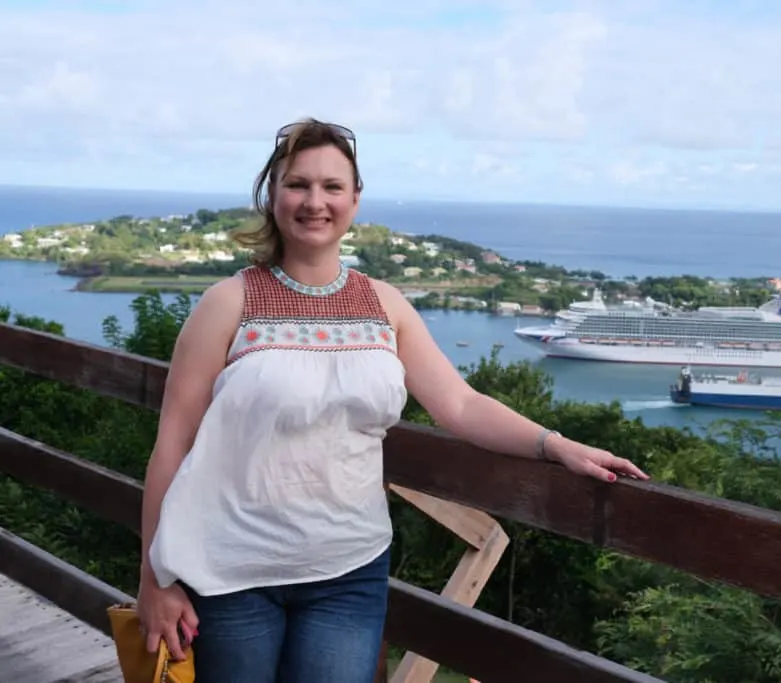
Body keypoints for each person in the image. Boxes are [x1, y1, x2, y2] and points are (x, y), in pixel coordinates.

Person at [135, 117, 649, 683]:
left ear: (355, 200)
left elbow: (459, 405)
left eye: (332, 187)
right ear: (272, 195)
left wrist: (557, 446)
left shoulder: (386, 306)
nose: (314, 201)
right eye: (297, 184)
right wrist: (153, 578)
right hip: (229, 572)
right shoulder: (228, 303)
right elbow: (173, 446)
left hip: (348, 571)